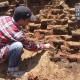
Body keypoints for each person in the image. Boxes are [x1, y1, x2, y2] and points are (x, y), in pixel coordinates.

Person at [0, 6, 52, 77]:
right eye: (28, 20)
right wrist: (44, 46)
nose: (29, 22)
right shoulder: (17, 34)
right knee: (18, 46)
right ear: (21, 20)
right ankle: (12, 72)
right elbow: (30, 47)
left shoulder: (4, 18)